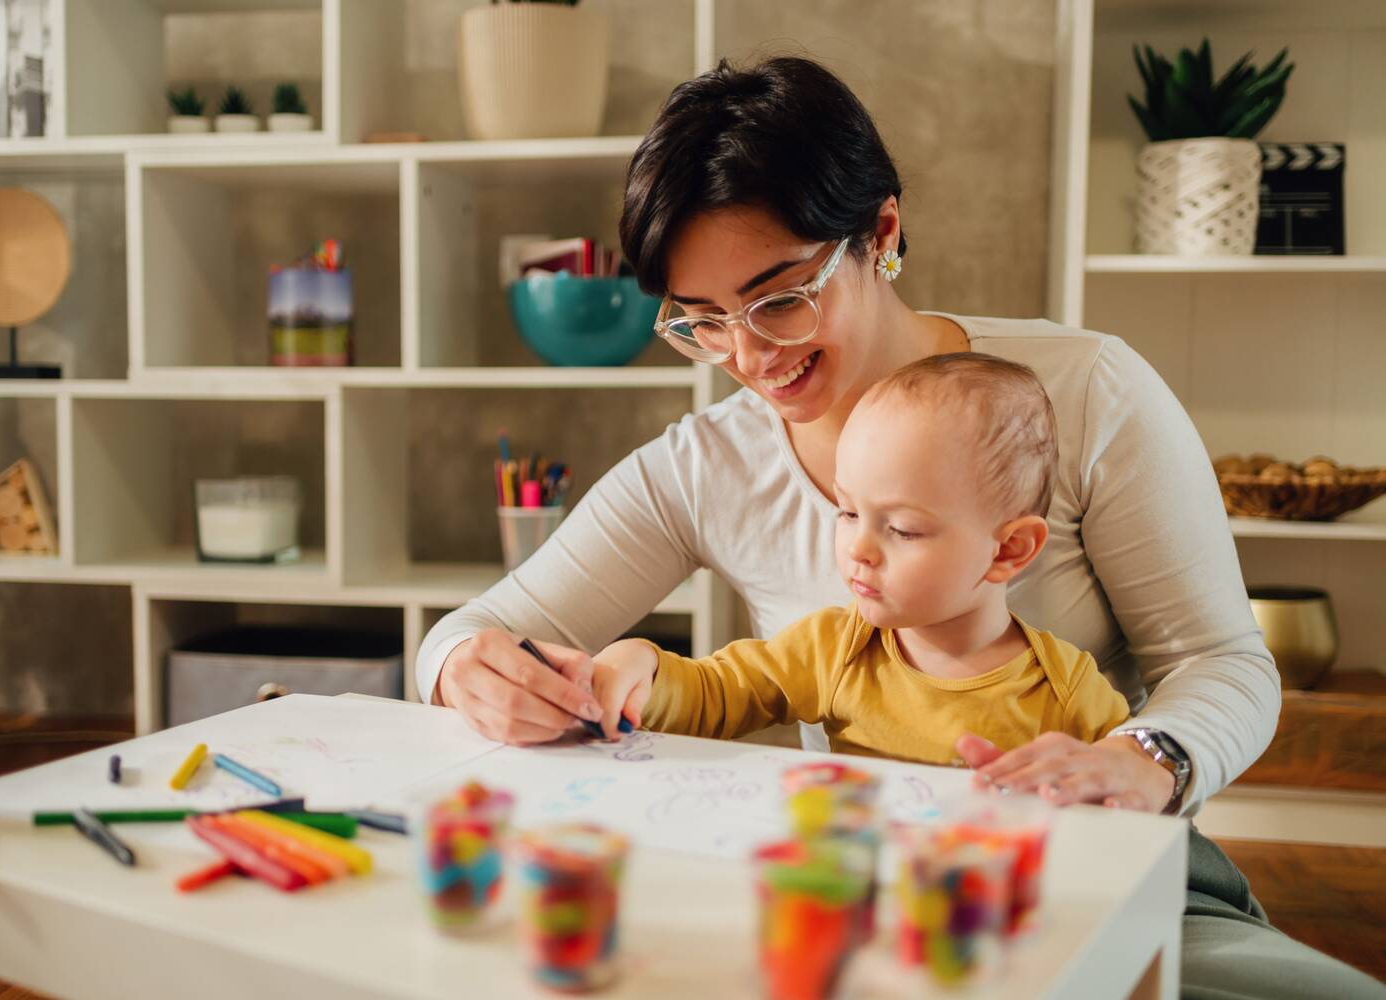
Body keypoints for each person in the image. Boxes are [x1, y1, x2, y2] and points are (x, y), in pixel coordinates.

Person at [418, 57, 1386, 998]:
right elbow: (474, 631)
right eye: (702, 319)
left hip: (1104, 877)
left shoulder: (1086, 393)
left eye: (781, 298)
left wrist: (1144, 761)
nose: (749, 355)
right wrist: (469, 670)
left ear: (880, 232)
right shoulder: (706, 462)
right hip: (860, 897)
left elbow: (1224, 658)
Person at [588, 353, 1133, 762]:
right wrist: (642, 666)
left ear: (1009, 549)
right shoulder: (834, 649)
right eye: (848, 512)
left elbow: (1131, 812)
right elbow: (714, 695)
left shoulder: (1068, 695)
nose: (859, 549)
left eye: (901, 528)